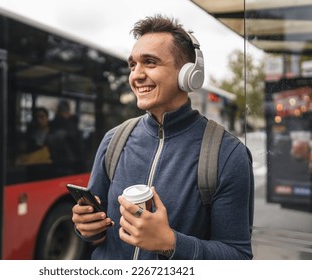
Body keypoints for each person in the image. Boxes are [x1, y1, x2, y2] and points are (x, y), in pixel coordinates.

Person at [72, 14, 254, 260]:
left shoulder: (228, 154)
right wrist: (86, 228)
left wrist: (171, 243)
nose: (136, 75)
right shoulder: (114, 140)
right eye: (133, 65)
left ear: (188, 74)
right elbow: (97, 232)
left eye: (150, 62)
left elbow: (237, 256)